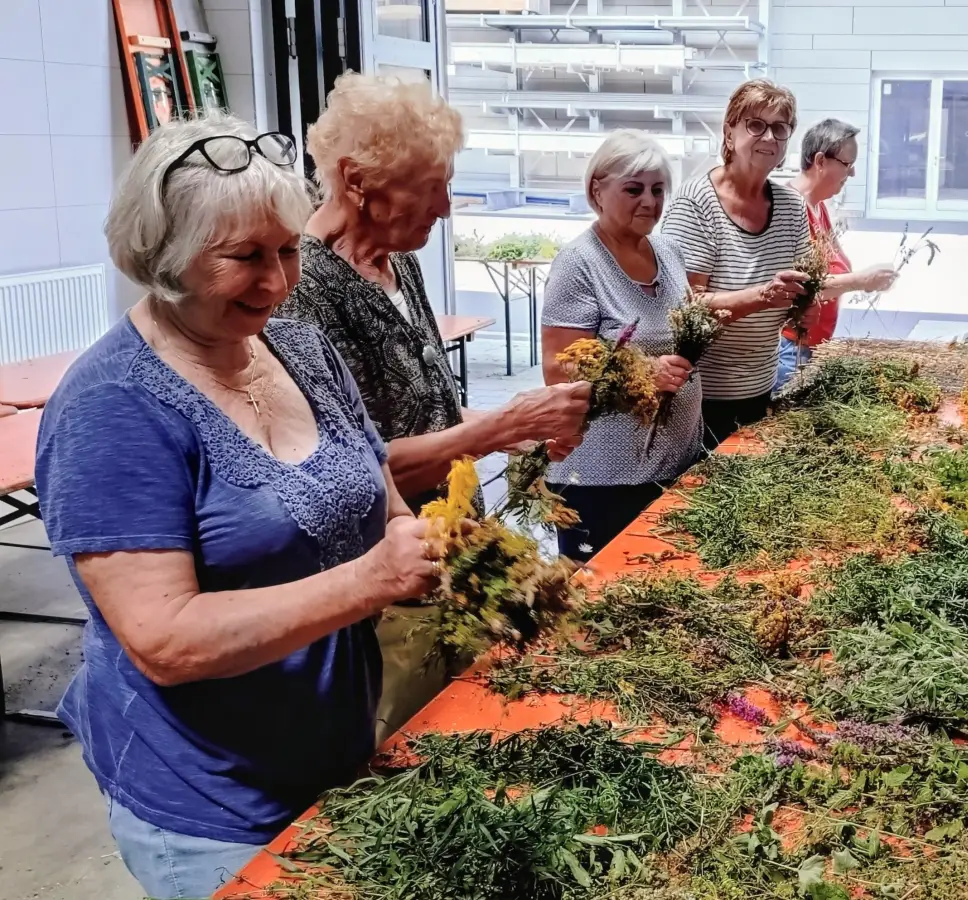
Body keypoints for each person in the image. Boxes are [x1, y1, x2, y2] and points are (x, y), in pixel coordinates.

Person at [34, 115, 441, 899]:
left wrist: (420, 544)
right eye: (245, 258)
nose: (278, 281)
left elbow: (382, 498)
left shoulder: (300, 349)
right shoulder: (114, 408)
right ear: (164, 258)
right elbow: (165, 640)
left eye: (288, 250)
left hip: (338, 750)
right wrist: (371, 581)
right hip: (212, 802)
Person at [277, 72, 591, 740]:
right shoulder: (305, 294)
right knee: (402, 751)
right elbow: (358, 469)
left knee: (470, 726)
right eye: (431, 187)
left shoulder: (398, 264)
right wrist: (499, 428)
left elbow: (431, 419)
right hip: (383, 591)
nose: (446, 207)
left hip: (451, 558)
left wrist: (518, 427)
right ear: (358, 181)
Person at [541, 131, 701, 562]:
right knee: (600, 600)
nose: (649, 201)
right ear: (598, 189)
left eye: (657, 189)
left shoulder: (668, 250)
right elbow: (559, 372)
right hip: (603, 476)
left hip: (673, 462)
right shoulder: (579, 263)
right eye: (634, 189)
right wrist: (642, 373)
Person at [660, 79, 812, 445]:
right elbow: (684, 307)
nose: (770, 137)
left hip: (762, 383)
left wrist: (807, 301)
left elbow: (804, 291)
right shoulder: (696, 203)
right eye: (756, 125)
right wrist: (763, 295)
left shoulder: (791, 207)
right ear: (729, 133)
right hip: (701, 395)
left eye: (780, 128)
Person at [773, 118, 897, 391]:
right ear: (820, 161)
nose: (851, 173)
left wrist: (867, 280)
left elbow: (836, 270)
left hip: (809, 344)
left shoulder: (820, 208)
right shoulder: (791, 209)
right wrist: (861, 280)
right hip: (789, 347)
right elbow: (803, 288)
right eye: (847, 164)